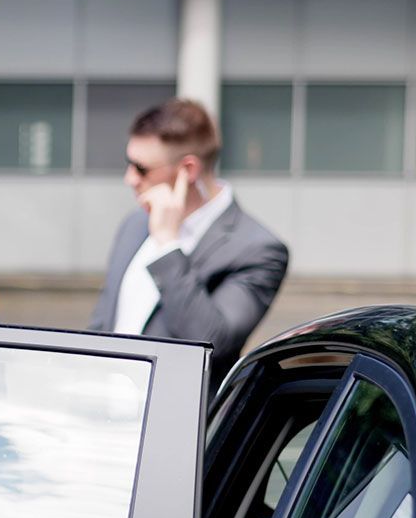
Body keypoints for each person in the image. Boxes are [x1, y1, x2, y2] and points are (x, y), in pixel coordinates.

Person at [88, 98, 289, 386]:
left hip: (169, 422)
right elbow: (102, 324)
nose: (129, 178)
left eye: (141, 168)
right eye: (128, 163)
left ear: (188, 170)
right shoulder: (135, 223)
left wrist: (168, 244)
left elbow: (211, 342)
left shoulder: (258, 249)